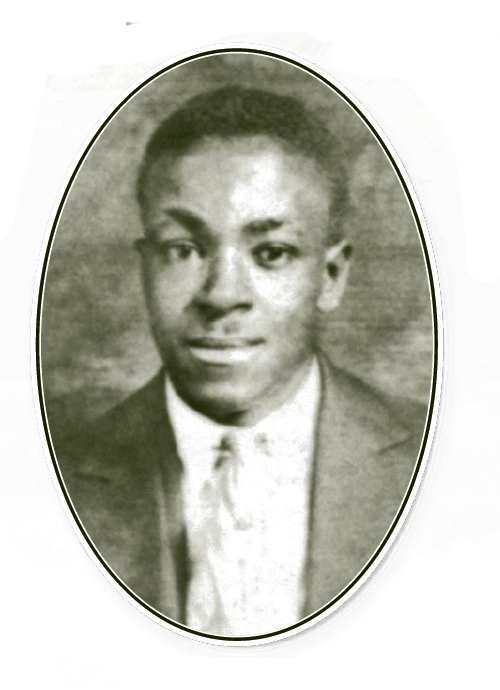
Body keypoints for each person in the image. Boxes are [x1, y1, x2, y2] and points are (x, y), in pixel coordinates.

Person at [58, 86, 425, 637]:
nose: (222, 295)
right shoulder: (43, 477)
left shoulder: (447, 465)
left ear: (331, 276)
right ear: (145, 267)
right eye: (184, 248)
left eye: (271, 253)